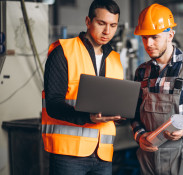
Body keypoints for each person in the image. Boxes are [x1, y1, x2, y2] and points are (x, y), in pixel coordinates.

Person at [131, 3, 183, 175]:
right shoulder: (142, 71)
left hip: (182, 155)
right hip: (148, 156)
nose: (149, 43)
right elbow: (134, 113)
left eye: (154, 37)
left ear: (170, 35)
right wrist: (139, 136)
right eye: (144, 38)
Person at [41, 0, 123, 175]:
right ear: (88, 21)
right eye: (101, 23)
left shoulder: (115, 59)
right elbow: (54, 104)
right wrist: (87, 117)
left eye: (113, 25)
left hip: (103, 154)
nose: (107, 31)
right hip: (68, 155)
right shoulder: (63, 52)